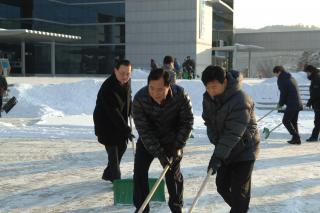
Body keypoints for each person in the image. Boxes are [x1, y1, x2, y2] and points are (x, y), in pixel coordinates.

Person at [132, 68, 193, 213]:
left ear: (168, 86)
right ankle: (141, 209)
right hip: (149, 141)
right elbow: (144, 130)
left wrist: (178, 146)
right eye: (151, 88)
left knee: (173, 175)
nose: (155, 93)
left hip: (172, 141)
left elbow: (187, 121)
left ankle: (177, 208)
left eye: (160, 89)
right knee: (139, 172)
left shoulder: (180, 95)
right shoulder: (140, 99)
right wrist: (159, 154)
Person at [201, 66, 260, 213]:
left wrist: (218, 156)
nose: (211, 91)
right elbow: (208, 122)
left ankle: (240, 208)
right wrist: (217, 143)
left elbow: (233, 133)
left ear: (225, 81)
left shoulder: (241, 99)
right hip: (226, 149)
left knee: (239, 193)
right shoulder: (208, 98)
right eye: (208, 87)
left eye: (214, 87)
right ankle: (240, 208)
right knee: (222, 186)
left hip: (245, 149)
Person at [93, 59, 133, 182]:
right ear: (115, 71)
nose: (125, 76)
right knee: (113, 153)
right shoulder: (108, 87)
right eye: (122, 73)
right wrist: (126, 129)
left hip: (118, 123)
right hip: (105, 124)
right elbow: (113, 111)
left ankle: (108, 173)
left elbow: (127, 98)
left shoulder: (126, 81)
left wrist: (131, 109)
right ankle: (116, 180)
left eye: (128, 73)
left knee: (123, 146)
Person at [273, 66, 303, 145]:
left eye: (275, 73)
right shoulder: (290, 77)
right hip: (297, 103)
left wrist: (280, 104)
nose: (275, 76)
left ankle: (296, 137)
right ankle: (296, 139)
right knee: (293, 121)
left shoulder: (282, 79)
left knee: (285, 121)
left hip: (292, 104)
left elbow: (283, 93)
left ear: (279, 72)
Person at [304, 65, 320, 142]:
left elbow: (316, 93)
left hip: (318, 104)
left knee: (317, 121)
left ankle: (314, 137)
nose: (307, 74)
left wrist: (309, 102)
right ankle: (314, 136)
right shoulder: (316, 78)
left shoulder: (316, 79)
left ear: (311, 72)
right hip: (317, 103)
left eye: (307, 73)